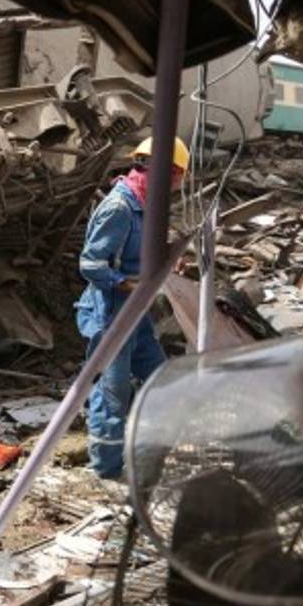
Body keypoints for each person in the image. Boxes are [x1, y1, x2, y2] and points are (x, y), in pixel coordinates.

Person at [75, 136, 188, 479]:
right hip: (111, 313)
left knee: (159, 377)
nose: (178, 186)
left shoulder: (144, 203)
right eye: (179, 177)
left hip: (135, 313)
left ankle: (150, 447)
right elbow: (91, 265)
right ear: (169, 173)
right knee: (113, 392)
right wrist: (130, 285)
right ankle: (106, 470)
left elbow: (138, 253)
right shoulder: (120, 208)